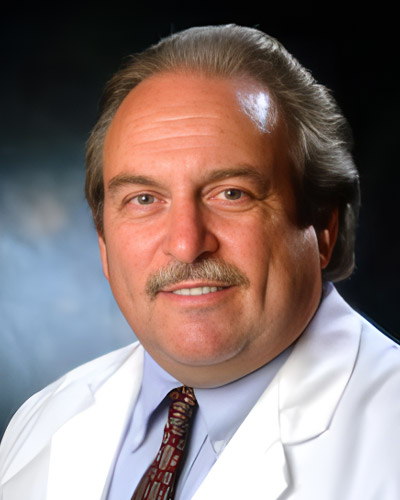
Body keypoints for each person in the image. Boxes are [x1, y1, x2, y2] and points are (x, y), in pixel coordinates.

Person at [0, 24, 399, 500]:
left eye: (232, 193)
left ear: (323, 229)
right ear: (104, 244)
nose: (187, 244)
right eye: (145, 198)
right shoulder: (41, 421)